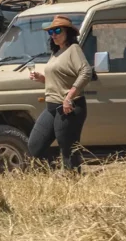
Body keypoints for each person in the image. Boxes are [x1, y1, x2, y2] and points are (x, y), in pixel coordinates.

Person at [28, 16, 92, 171]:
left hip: (69, 107)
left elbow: (86, 72)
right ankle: (54, 174)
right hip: (51, 106)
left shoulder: (73, 49)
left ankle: (72, 183)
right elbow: (58, 80)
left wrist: (69, 97)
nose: (53, 34)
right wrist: (42, 78)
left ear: (68, 32)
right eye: (51, 31)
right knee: (35, 145)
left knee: (68, 150)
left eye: (57, 30)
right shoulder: (56, 53)